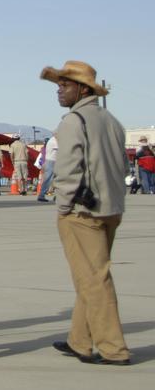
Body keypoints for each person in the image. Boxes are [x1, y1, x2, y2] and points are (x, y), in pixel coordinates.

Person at [42, 60, 131, 366]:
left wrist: (64, 206)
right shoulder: (110, 119)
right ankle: (79, 340)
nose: (59, 91)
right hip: (111, 208)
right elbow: (122, 165)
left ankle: (113, 348)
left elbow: (67, 171)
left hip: (82, 212)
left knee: (94, 279)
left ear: (83, 89)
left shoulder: (72, 121)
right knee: (90, 275)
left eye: (65, 85)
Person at [38, 135, 60, 202]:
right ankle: (41, 195)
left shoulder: (53, 140)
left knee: (56, 179)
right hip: (52, 161)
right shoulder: (54, 141)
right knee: (48, 179)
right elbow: (61, 149)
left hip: (52, 161)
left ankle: (57, 196)